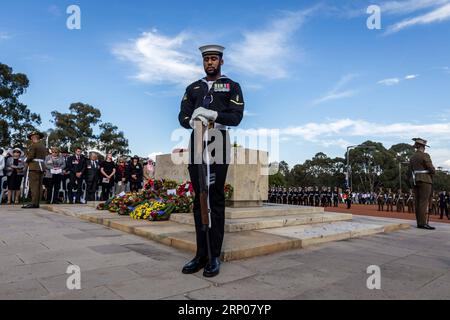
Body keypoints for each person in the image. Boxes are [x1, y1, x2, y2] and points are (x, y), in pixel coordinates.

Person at [178, 44, 244, 278]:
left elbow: (236, 117)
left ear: (221, 62)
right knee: (199, 197)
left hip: (218, 137)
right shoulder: (193, 87)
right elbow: (182, 114)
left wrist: (214, 115)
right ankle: (201, 254)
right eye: (206, 59)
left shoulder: (231, 86)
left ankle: (214, 255)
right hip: (197, 139)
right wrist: (192, 120)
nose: (210, 63)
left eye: (214, 59)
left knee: (214, 197)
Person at [408, 138, 436, 230]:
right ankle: (423, 223)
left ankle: (419, 222)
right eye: (424, 146)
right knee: (424, 202)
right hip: (425, 180)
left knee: (417, 202)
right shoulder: (425, 155)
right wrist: (432, 172)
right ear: (422, 146)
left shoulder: (412, 157)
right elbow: (431, 169)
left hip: (415, 180)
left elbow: (409, 171)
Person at [22, 131, 47, 209]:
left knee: (34, 186)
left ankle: (34, 203)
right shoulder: (43, 146)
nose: (31, 139)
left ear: (33, 138)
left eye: (31, 138)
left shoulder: (33, 146)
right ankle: (37, 202)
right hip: (41, 167)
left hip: (34, 167)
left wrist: (25, 160)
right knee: (39, 186)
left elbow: (30, 156)